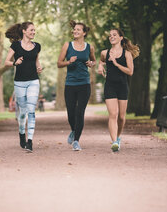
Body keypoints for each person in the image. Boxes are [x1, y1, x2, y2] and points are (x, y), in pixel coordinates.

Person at [97, 28, 139, 152]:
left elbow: (130, 72)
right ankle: (114, 141)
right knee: (113, 115)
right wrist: (100, 66)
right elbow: (101, 61)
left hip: (122, 86)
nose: (111, 37)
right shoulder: (105, 52)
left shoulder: (127, 54)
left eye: (114, 35)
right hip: (109, 86)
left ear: (121, 38)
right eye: (110, 35)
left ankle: (118, 137)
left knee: (121, 117)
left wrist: (116, 64)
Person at [57, 20, 96, 151]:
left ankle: (76, 141)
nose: (75, 31)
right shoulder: (67, 45)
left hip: (84, 83)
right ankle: (74, 130)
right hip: (70, 83)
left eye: (78, 30)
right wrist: (69, 62)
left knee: (80, 112)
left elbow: (93, 60)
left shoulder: (89, 47)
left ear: (84, 33)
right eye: (74, 29)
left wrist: (91, 64)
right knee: (71, 113)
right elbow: (59, 63)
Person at [4, 22, 42, 152]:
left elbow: (36, 60)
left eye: (34, 30)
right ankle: (21, 134)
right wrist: (15, 62)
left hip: (33, 81)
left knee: (31, 110)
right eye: (31, 30)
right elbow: (6, 62)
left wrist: (39, 67)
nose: (33, 32)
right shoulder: (15, 45)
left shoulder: (37, 46)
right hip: (19, 82)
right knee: (23, 113)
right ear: (24, 31)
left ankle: (30, 141)